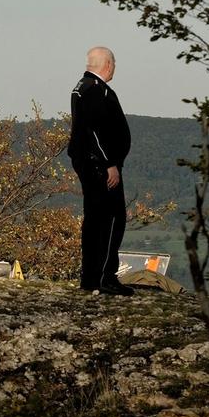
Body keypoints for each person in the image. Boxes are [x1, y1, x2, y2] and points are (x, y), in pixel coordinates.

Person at [67, 46, 133, 296]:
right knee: (111, 219)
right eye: (113, 64)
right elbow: (94, 130)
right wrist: (109, 163)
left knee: (94, 220)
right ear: (107, 64)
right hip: (100, 166)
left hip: (91, 164)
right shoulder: (96, 90)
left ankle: (90, 276)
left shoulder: (81, 87)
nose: (114, 68)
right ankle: (104, 276)